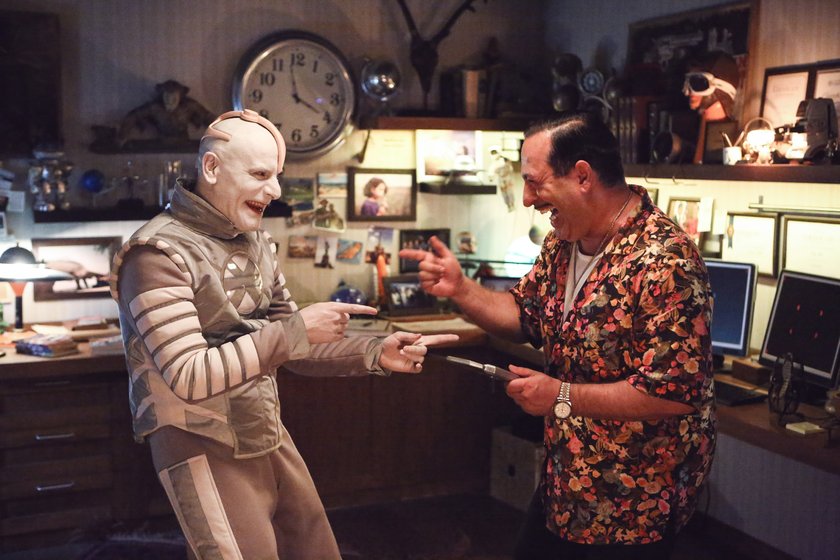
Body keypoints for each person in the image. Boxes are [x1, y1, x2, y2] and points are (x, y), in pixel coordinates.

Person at [110, 109, 457, 560]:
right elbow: (189, 376)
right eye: (260, 175)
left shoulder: (256, 241)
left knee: (315, 549)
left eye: (276, 176)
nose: (274, 190)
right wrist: (294, 331)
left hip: (263, 428)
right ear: (211, 168)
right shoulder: (156, 253)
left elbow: (296, 349)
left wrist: (375, 352)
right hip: (198, 440)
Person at [400, 111, 715, 560]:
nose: (527, 199)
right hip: (566, 481)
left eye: (534, 182)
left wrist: (562, 396)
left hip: (633, 500)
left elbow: (674, 393)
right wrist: (461, 290)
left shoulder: (665, 261)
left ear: (582, 176)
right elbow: (524, 315)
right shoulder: (564, 242)